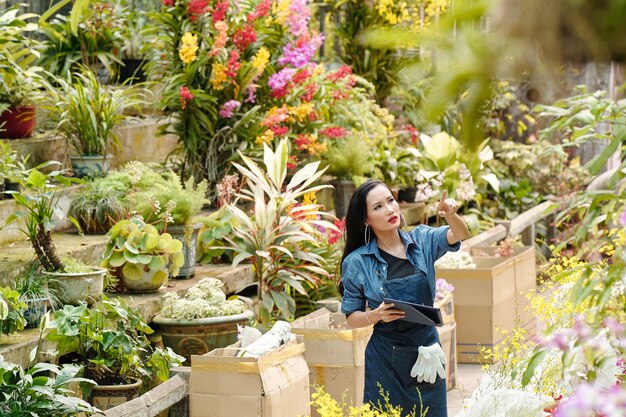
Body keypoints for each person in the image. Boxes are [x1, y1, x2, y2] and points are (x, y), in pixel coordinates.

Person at [340, 179, 470, 417]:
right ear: (365, 219)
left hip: (426, 353)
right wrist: (375, 315)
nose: (389, 209)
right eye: (378, 207)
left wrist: (450, 214)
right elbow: (352, 317)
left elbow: (460, 234)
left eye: (390, 200)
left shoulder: (422, 240)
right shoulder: (357, 262)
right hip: (385, 361)